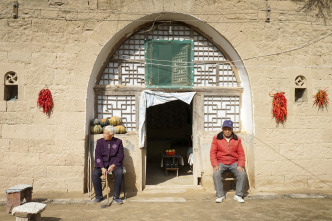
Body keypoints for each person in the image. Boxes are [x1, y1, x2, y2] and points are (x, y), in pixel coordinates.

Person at [210, 120, 247, 203]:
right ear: (222, 129)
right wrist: (215, 165)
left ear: (232, 129)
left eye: (229, 129)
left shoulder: (237, 139)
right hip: (221, 163)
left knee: (242, 174)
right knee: (216, 174)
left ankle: (238, 195)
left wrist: (240, 165)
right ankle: (220, 195)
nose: (227, 131)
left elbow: (241, 154)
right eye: (225, 129)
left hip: (234, 163)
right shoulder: (216, 138)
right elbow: (212, 153)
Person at [92, 125, 124, 204]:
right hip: (102, 164)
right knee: (95, 174)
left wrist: (113, 165)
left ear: (112, 135)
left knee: (119, 173)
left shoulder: (118, 142)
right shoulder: (100, 142)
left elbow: (120, 156)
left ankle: (116, 197)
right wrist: (102, 167)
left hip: (114, 164)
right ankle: (98, 196)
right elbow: (97, 156)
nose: (104, 135)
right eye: (104, 133)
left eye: (106, 134)